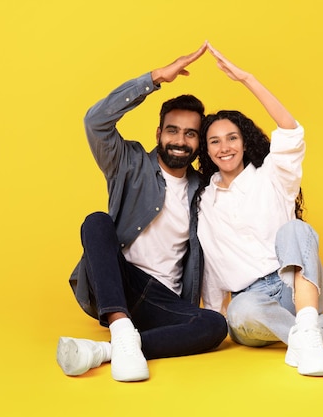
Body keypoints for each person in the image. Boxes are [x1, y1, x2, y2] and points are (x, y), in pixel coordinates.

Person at [196, 43, 323, 377]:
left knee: (295, 230)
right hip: (253, 302)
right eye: (215, 141)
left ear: (245, 142)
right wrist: (214, 315)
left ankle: (309, 326)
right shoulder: (203, 201)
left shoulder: (272, 176)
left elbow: (290, 131)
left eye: (232, 138)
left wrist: (247, 79)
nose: (224, 147)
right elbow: (212, 264)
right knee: (239, 314)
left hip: (298, 284)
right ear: (206, 148)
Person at [56, 43, 228, 382]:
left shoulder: (206, 189)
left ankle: (107, 349)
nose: (180, 140)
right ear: (159, 133)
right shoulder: (128, 164)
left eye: (191, 134)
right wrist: (155, 78)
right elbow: (95, 122)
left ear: (199, 142)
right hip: (119, 286)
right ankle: (120, 325)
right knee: (96, 222)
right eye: (173, 130)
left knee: (214, 325)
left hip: (166, 302)